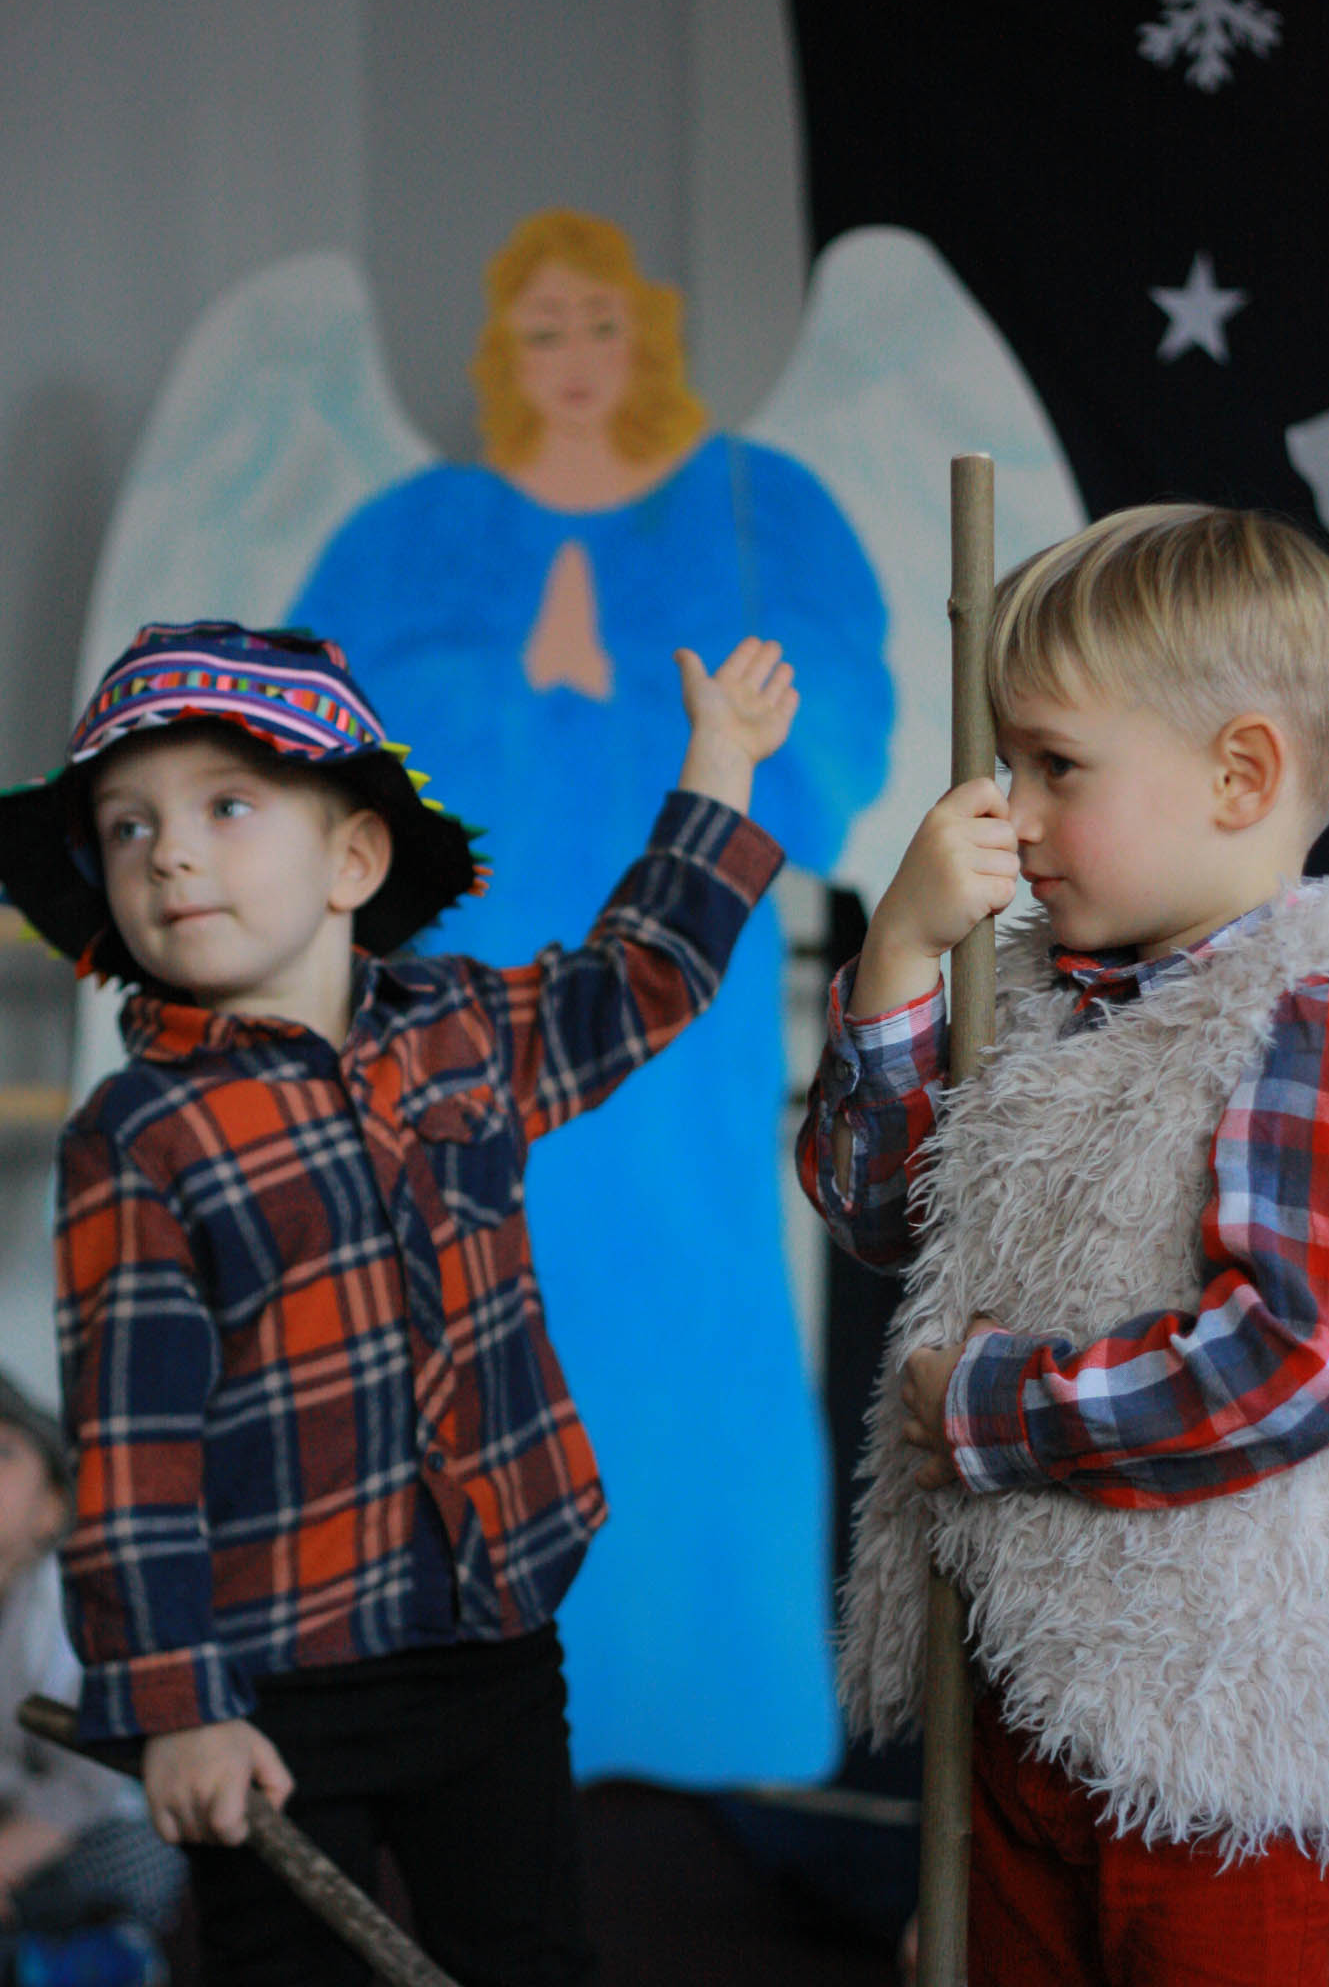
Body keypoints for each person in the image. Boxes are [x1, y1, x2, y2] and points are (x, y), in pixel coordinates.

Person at [0, 618, 796, 1987]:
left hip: (488, 1636)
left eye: (225, 806)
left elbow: (640, 978)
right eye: (128, 828)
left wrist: (718, 764)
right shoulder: (137, 1135)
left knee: (526, 1954)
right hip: (268, 1678)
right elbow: (134, 1454)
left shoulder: (463, 1032)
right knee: (286, 1969)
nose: (169, 853)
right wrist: (180, 1708)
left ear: (353, 861)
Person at [288, 207, 889, 1784]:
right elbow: (312, 764)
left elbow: (834, 750)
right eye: (541, 328)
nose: (571, 359)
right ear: (504, 352)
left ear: (648, 341)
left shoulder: (750, 504)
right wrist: (514, 683)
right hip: (450, 1023)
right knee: (452, 1314)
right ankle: (463, 1706)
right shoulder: (413, 530)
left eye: (599, 324)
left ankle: (717, 1710)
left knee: (695, 1317)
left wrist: (635, 692)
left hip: (674, 1031)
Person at [796, 504, 1329, 1986]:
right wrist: (901, 959)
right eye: (1006, 764)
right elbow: (877, 1211)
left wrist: (994, 1409)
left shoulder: (1302, 1013)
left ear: (1240, 775)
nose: (1009, 816)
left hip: (1219, 1749)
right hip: (1023, 1702)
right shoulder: (1025, 991)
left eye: (1055, 766)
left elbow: (1287, 1356)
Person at [0, 1371, 184, 1987]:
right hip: (11, 1826)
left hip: (84, 1830)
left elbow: (89, 1779)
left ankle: (92, 1954)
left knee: (135, 1854)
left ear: (52, 1508)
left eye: (3, 1453)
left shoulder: (66, 1607)